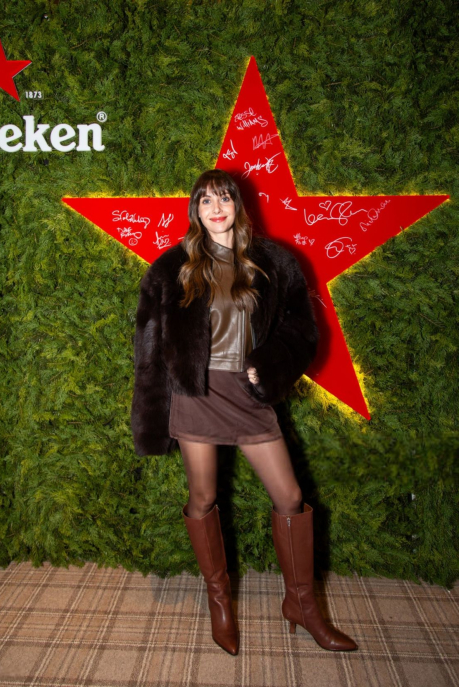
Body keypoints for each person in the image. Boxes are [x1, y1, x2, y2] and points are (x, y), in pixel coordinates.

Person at [131, 169, 358, 656]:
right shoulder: (171, 268)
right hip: (196, 393)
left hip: (248, 394)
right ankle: (220, 601)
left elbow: (301, 332)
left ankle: (302, 604)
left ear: (238, 205)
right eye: (206, 200)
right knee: (203, 495)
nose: (216, 208)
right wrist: (151, 417)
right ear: (195, 209)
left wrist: (269, 368)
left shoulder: (275, 263)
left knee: (291, 496)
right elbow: (148, 349)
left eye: (224, 199)